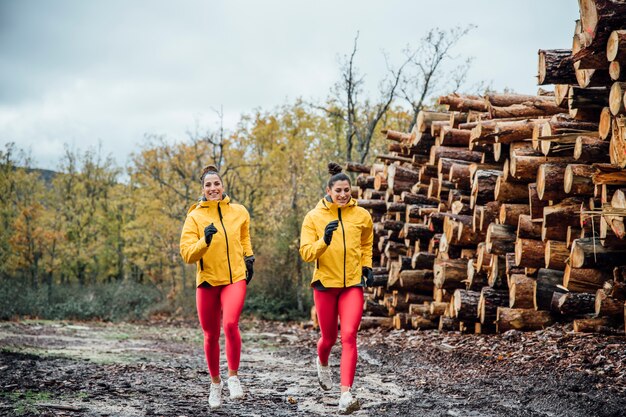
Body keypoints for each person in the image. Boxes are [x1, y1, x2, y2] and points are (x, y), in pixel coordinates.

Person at [299, 162, 374, 414]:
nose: (343, 194)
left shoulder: (362, 216)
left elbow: (366, 244)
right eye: (338, 190)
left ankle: (345, 394)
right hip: (325, 285)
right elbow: (306, 253)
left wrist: (367, 267)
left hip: (352, 284)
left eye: (346, 190)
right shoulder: (313, 217)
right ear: (328, 190)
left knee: (350, 335)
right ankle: (322, 362)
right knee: (329, 339)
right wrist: (324, 240)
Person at [179, 164, 255, 410]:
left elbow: (244, 236)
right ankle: (215, 383)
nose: (213, 188)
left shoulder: (239, 211)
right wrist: (205, 240)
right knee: (211, 335)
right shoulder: (195, 217)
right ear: (203, 189)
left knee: (230, 324)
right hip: (208, 281)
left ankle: (233, 376)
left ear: (223, 186)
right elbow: (187, 255)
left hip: (235, 278)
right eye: (208, 185)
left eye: (216, 184)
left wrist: (249, 257)